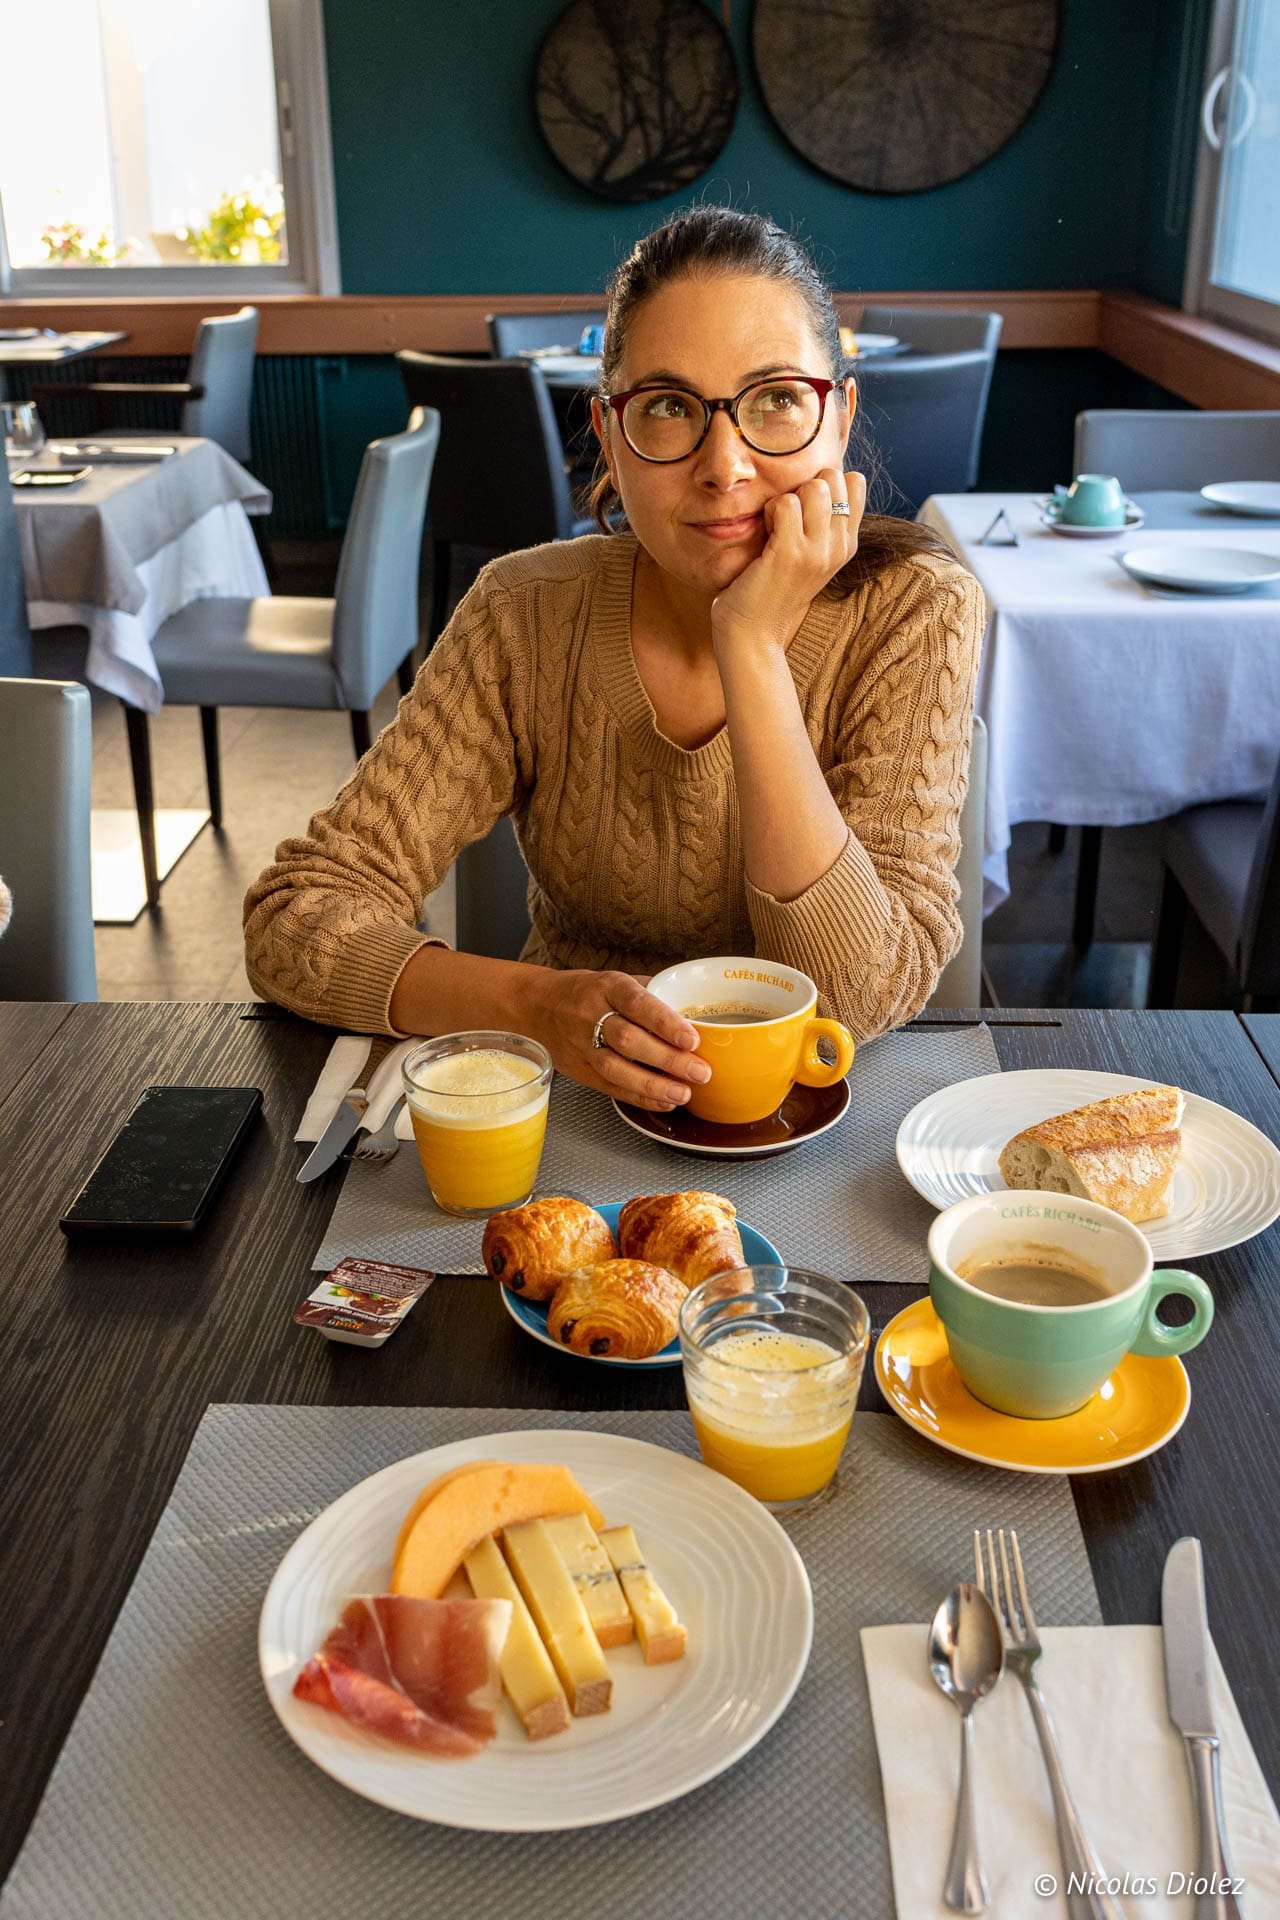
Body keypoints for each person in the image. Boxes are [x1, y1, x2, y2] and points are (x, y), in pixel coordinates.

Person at [244, 206, 984, 1114]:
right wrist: (536, 1004)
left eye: (778, 399)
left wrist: (747, 647)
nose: (726, 465)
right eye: (670, 407)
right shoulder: (525, 611)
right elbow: (297, 916)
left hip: (823, 1125)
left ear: (839, 416)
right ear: (608, 429)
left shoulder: (918, 608)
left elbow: (858, 998)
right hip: (563, 1117)